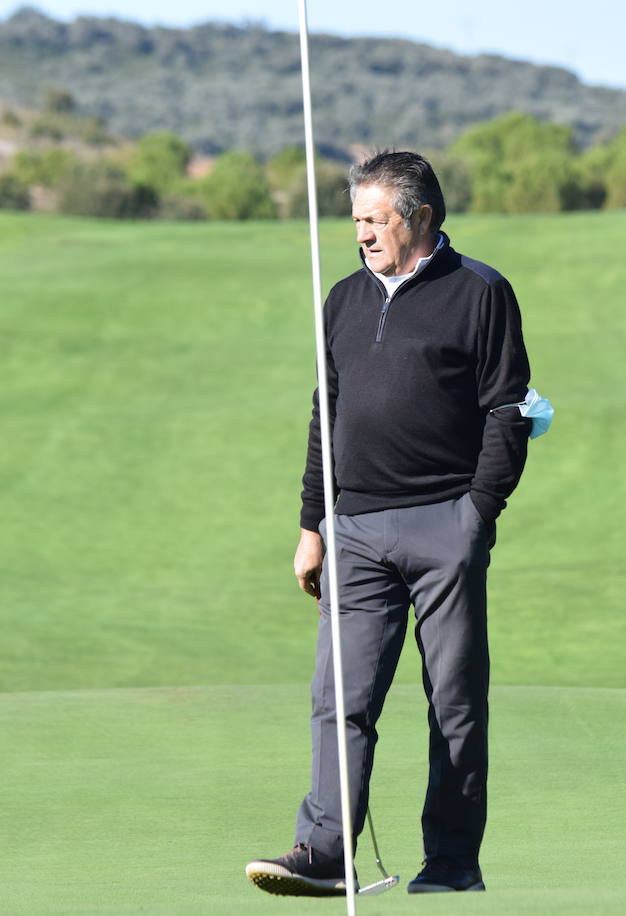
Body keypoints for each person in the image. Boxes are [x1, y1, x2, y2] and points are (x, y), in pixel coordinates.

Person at [246, 151, 533, 897]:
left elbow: (508, 408)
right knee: (339, 697)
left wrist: (477, 512)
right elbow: (326, 415)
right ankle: (325, 851)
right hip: (356, 529)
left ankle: (451, 864)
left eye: (375, 220)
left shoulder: (481, 293)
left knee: (454, 703)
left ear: (421, 218)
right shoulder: (341, 300)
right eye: (356, 222)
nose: (362, 236)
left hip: (446, 521)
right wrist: (312, 523)